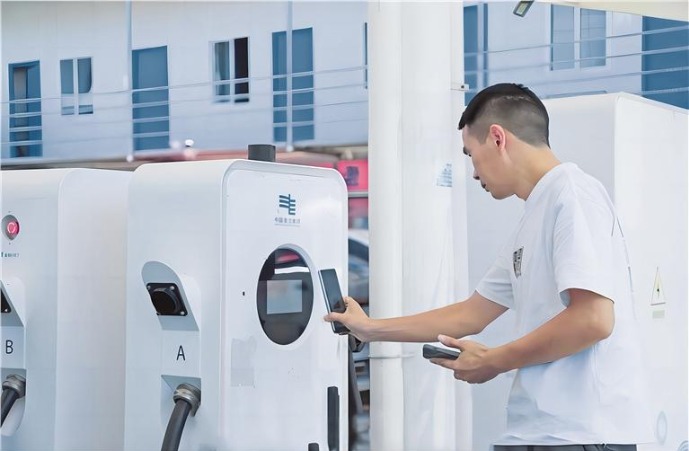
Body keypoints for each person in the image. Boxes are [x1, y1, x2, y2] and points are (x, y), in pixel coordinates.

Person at [325, 83, 651, 451]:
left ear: (497, 138)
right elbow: (471, 314)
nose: (474, 172)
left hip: (582, 435)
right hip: (539, 434)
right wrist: (370, 329)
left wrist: (493, 360)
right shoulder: (533, 216)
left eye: (470, 154)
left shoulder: (573, 195)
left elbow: (593, 319)